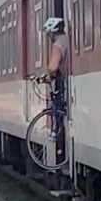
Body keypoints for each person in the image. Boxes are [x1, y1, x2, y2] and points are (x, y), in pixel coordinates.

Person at [43, 16, 69, 167]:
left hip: (63, 84)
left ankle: (58, 145)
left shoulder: (58, 45)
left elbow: (53, 67)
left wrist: (49, 76)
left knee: (57, 115)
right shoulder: (69, 40)